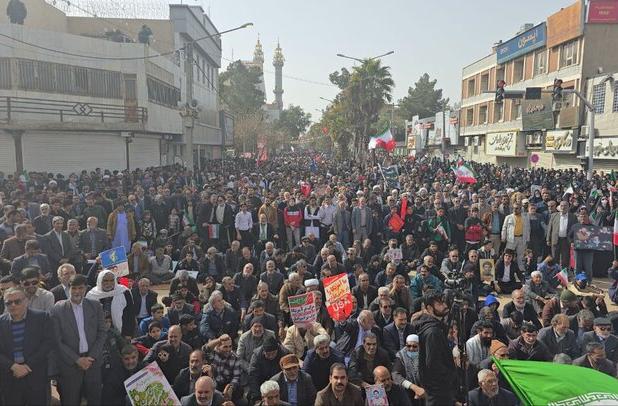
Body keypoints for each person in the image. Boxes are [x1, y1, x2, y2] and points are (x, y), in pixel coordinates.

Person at [50, 274, 107, 406]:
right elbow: (57, 340)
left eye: (80, 288)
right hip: (69, 366)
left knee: (94, 400)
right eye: (73, 288)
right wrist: (77, 359)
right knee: (70, 401)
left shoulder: (95, 306)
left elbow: (102, 332)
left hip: (92, 364)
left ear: (86, 288)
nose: (77, 292)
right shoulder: (58, 309)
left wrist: (91, 357)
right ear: (68, 288)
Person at [0, 287, 54, 406]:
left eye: (17, 301)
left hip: (35, 374)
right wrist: (13, 366)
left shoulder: (42, 317)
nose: (13, 305)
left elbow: (48, 343)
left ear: (26, 301)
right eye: (8, 303)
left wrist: (27, 365)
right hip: (10, 377)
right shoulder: (1, 322)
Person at [413, 291, 457, 406]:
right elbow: (432, 363)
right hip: (437, 391)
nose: (445, 306)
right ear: (429, 308)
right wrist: (449, 375)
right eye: (440, 303)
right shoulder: (432, 332)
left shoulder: (436, 327)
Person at [86, 269, 136, 337]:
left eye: (112, 280)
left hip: (121, 333)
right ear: (100, 281)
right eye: (105, 280)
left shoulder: (123, 292)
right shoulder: (92, 295)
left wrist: (128, 334)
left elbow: (130, 314)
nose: (109, 283)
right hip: (98, 333)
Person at [202, 334, 241, 403]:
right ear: (218, 347)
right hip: (212, 383)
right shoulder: (213, 354)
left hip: (226, 384)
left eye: (230, 346)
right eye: (225, 347)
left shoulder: (235, 358)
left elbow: (236, 377)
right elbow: (205, 349)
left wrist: (230, 387)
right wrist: (219, 339)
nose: (228, 349)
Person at [392, 334, 426, 405]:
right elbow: (395, 375)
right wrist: (413, 387)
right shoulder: (401, 356)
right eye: (409, 346)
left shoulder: (425, 354)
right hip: (407, 391)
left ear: (419, 346)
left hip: (424, 391)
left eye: (414, 346)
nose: (411, 349)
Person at [546, 201, 577, 269]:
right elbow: (550, 228)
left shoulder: (573, 217)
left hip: (566, 241)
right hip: (555, 240)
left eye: (565, 206)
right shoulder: (554, 215)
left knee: (565, 259)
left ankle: (563, 275)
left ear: (568, 207)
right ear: (559, 206)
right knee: (554, 258)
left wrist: (573, 241)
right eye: (562, 205)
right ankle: (555, 274)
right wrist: (548, 239)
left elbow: (575, 230)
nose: (563, 207)